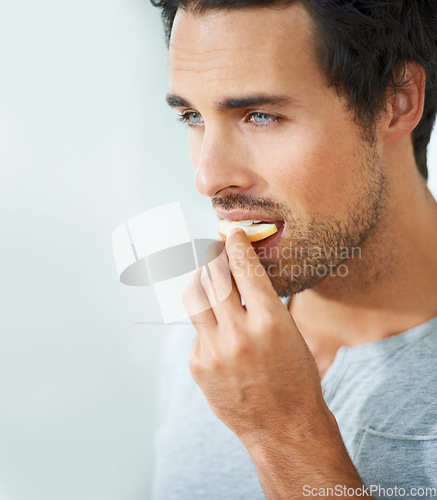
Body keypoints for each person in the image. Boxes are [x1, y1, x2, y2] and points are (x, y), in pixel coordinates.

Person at [150, 1, 437, 498]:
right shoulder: (211, 344)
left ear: (398, 100)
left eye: (260, 115)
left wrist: (282, 434)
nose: (209, 178)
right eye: (193, 116)